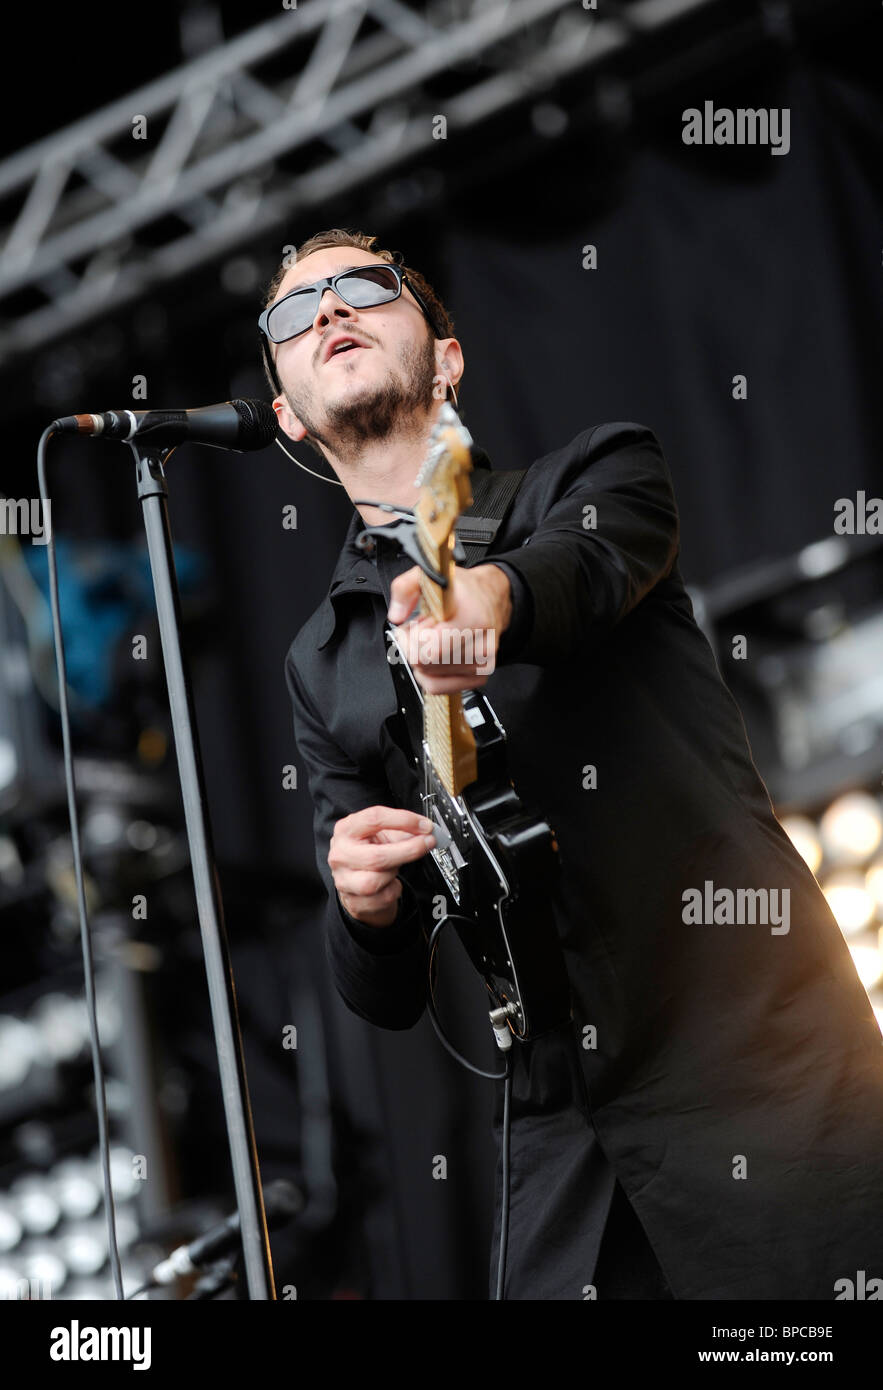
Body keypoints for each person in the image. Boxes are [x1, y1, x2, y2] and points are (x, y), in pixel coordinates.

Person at [265, 227, 883, 1300]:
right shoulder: (320, 663)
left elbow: (581, 566)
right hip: (560, 1128)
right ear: (284, 414)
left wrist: (481, 598)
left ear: (446, 359)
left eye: (364, 288)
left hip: (754, 1069)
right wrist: (360, 905)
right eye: (293, 310)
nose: (327, 311)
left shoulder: (599, 470)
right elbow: (383, 992)